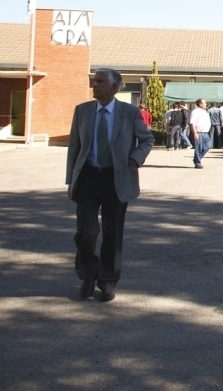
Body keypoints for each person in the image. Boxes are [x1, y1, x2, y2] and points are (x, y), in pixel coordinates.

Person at [65, 68, 154, 301]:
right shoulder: (82, 111)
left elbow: (147, 139)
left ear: (114, 87)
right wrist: (70, 180)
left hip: (117, 178)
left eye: (100, 82)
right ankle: (87, 272)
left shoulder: (130, 112)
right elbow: (74, 147)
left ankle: (107, 281)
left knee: (112, 233)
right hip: (88, 178)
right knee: (87, 231)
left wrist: (135, 158)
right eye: (94, 81)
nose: (95, 85)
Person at [188, 98, 212, 169]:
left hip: (206, 132)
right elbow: (192, 123)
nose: (206, 104)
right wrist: (195, 133)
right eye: (204, 103)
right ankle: (197, 162)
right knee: (199, 148)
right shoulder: (195, 111)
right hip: (199, 132)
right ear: (200, 104)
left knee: (208, 146)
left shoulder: (205, 112)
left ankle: (196, 159)